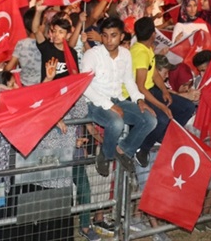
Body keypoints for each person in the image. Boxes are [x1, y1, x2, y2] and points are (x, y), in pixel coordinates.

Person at [80, 17, 157, 175]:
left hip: (118, 100)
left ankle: (123, 150)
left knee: (150, 119)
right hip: (95, 103)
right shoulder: (91, 55)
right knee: (116, 123)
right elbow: (85, 87)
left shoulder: (126, 54)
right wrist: (110, 106)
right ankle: (106, 156)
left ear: (122, 36)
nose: (109, 40)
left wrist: (139, 99)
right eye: (105, 35)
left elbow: (129, 80)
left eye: (113, 35)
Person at [128, 17, 197, 163]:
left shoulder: (148, 49)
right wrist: (161, 106)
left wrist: (165, 91)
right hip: (139, 94)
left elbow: (154, 74)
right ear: (153, 34)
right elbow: (140, 86)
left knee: (188, 107)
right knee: (162, 118)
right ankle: (143, 149)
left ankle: (163, 136)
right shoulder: (139, 53)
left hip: (151, 89)